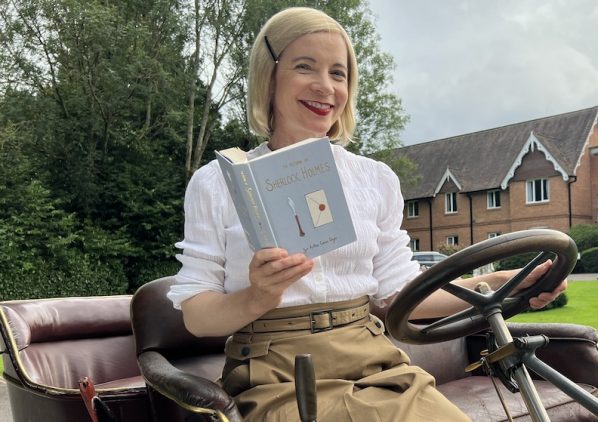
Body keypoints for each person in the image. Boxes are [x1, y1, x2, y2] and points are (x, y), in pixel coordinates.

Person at [168, 7, 567, 422]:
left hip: (375, 362)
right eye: (306, 67)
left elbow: (404, 295)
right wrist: (257, 296)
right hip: (276, 372)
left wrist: (502, 282)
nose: (325, 87)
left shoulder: (374, 179)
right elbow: (196, 314)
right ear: (269, 76)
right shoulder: (216, 182)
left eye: (338, 74)